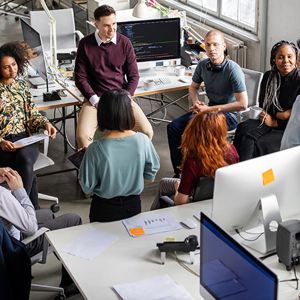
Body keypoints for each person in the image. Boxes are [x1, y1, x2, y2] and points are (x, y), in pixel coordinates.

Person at [167, 30, 248, 176]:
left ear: (223, 46)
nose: (211, 49)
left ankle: (200, 172)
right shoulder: (203, 65)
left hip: (228, 115)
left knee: (197, 129)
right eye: (208, 45)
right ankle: (180, 172)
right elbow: (193, 87)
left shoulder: (232, 69)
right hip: (207, 111)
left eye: (215, 45)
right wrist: (196, 102)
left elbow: (243, 104)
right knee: (173, 127)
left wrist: (210, 110)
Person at [74, 4, 153, 149]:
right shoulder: (85, 44)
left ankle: (131, 164)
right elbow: (80, 78)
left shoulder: (125, 43)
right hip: (96, 100)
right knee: (82, 137)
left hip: (121, 98)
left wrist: (126, 98)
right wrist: (95, 100)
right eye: (106, 26)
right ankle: (93, 169)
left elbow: (134, 76)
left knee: (147, 132)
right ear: (96, 24)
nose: (112, 29)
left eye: (114, 24)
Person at [79, 89, 160, 222]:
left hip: (103, 208)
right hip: (134, 204)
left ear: (102, 114)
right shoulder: (143, 140)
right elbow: (152, 169)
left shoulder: (95, 149)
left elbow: (87, 186)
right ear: (129, 113)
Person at [0, 167, 82, 297]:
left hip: (6, 236)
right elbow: (31, 227)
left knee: (48, 214)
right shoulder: (1, 195)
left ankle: (60, 253)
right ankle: (68, 283)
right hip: (14, 247)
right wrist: (18, 189)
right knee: (73, 219)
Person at [0, 42, 57, 209]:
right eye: (6, 67)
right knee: (25, 167)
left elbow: (32, 115)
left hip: (24, 139)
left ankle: (21, 211)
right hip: (3, 144)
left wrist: (45, 123)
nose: (12, 70)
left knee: (24, 159)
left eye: (14, 65)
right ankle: (33, 211)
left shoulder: (22, 86)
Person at [151, 110, 239, 209]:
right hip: (218, 197)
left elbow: (181, 202)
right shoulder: (232, 151)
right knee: (164, 182)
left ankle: (151, 217)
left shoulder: (193, 161)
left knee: (170, 185)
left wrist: (177, 188)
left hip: (193, 203)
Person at [233, 40, 300, 161]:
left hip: (287, 127)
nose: (286, 61)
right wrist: (281, 114)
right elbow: (264, 103)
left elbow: (295, 116)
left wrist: (276, 122)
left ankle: (246, 171)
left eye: (290, 57)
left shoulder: (298, 79)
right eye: (280, 57)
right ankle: (235, 165)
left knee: (255, 141)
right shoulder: (269, 76)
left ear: (296, 58)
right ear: (274, 59)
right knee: (243, 128)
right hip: (267, 117)